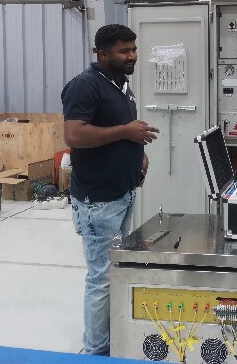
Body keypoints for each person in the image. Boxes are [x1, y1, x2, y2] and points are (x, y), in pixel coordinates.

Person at [61, 24, 159, 356]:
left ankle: (112, 336)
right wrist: (125, 133)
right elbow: (74, 135)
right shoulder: (86, 86)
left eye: (134, 49)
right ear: (101, 53)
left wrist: (137, 153)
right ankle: (95, 350)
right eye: (124, 51)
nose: (132, 56)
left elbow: (121, 127)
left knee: (115, 269)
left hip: (122, 192)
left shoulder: (119, 83)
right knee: (101, 277)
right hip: (98, 200)